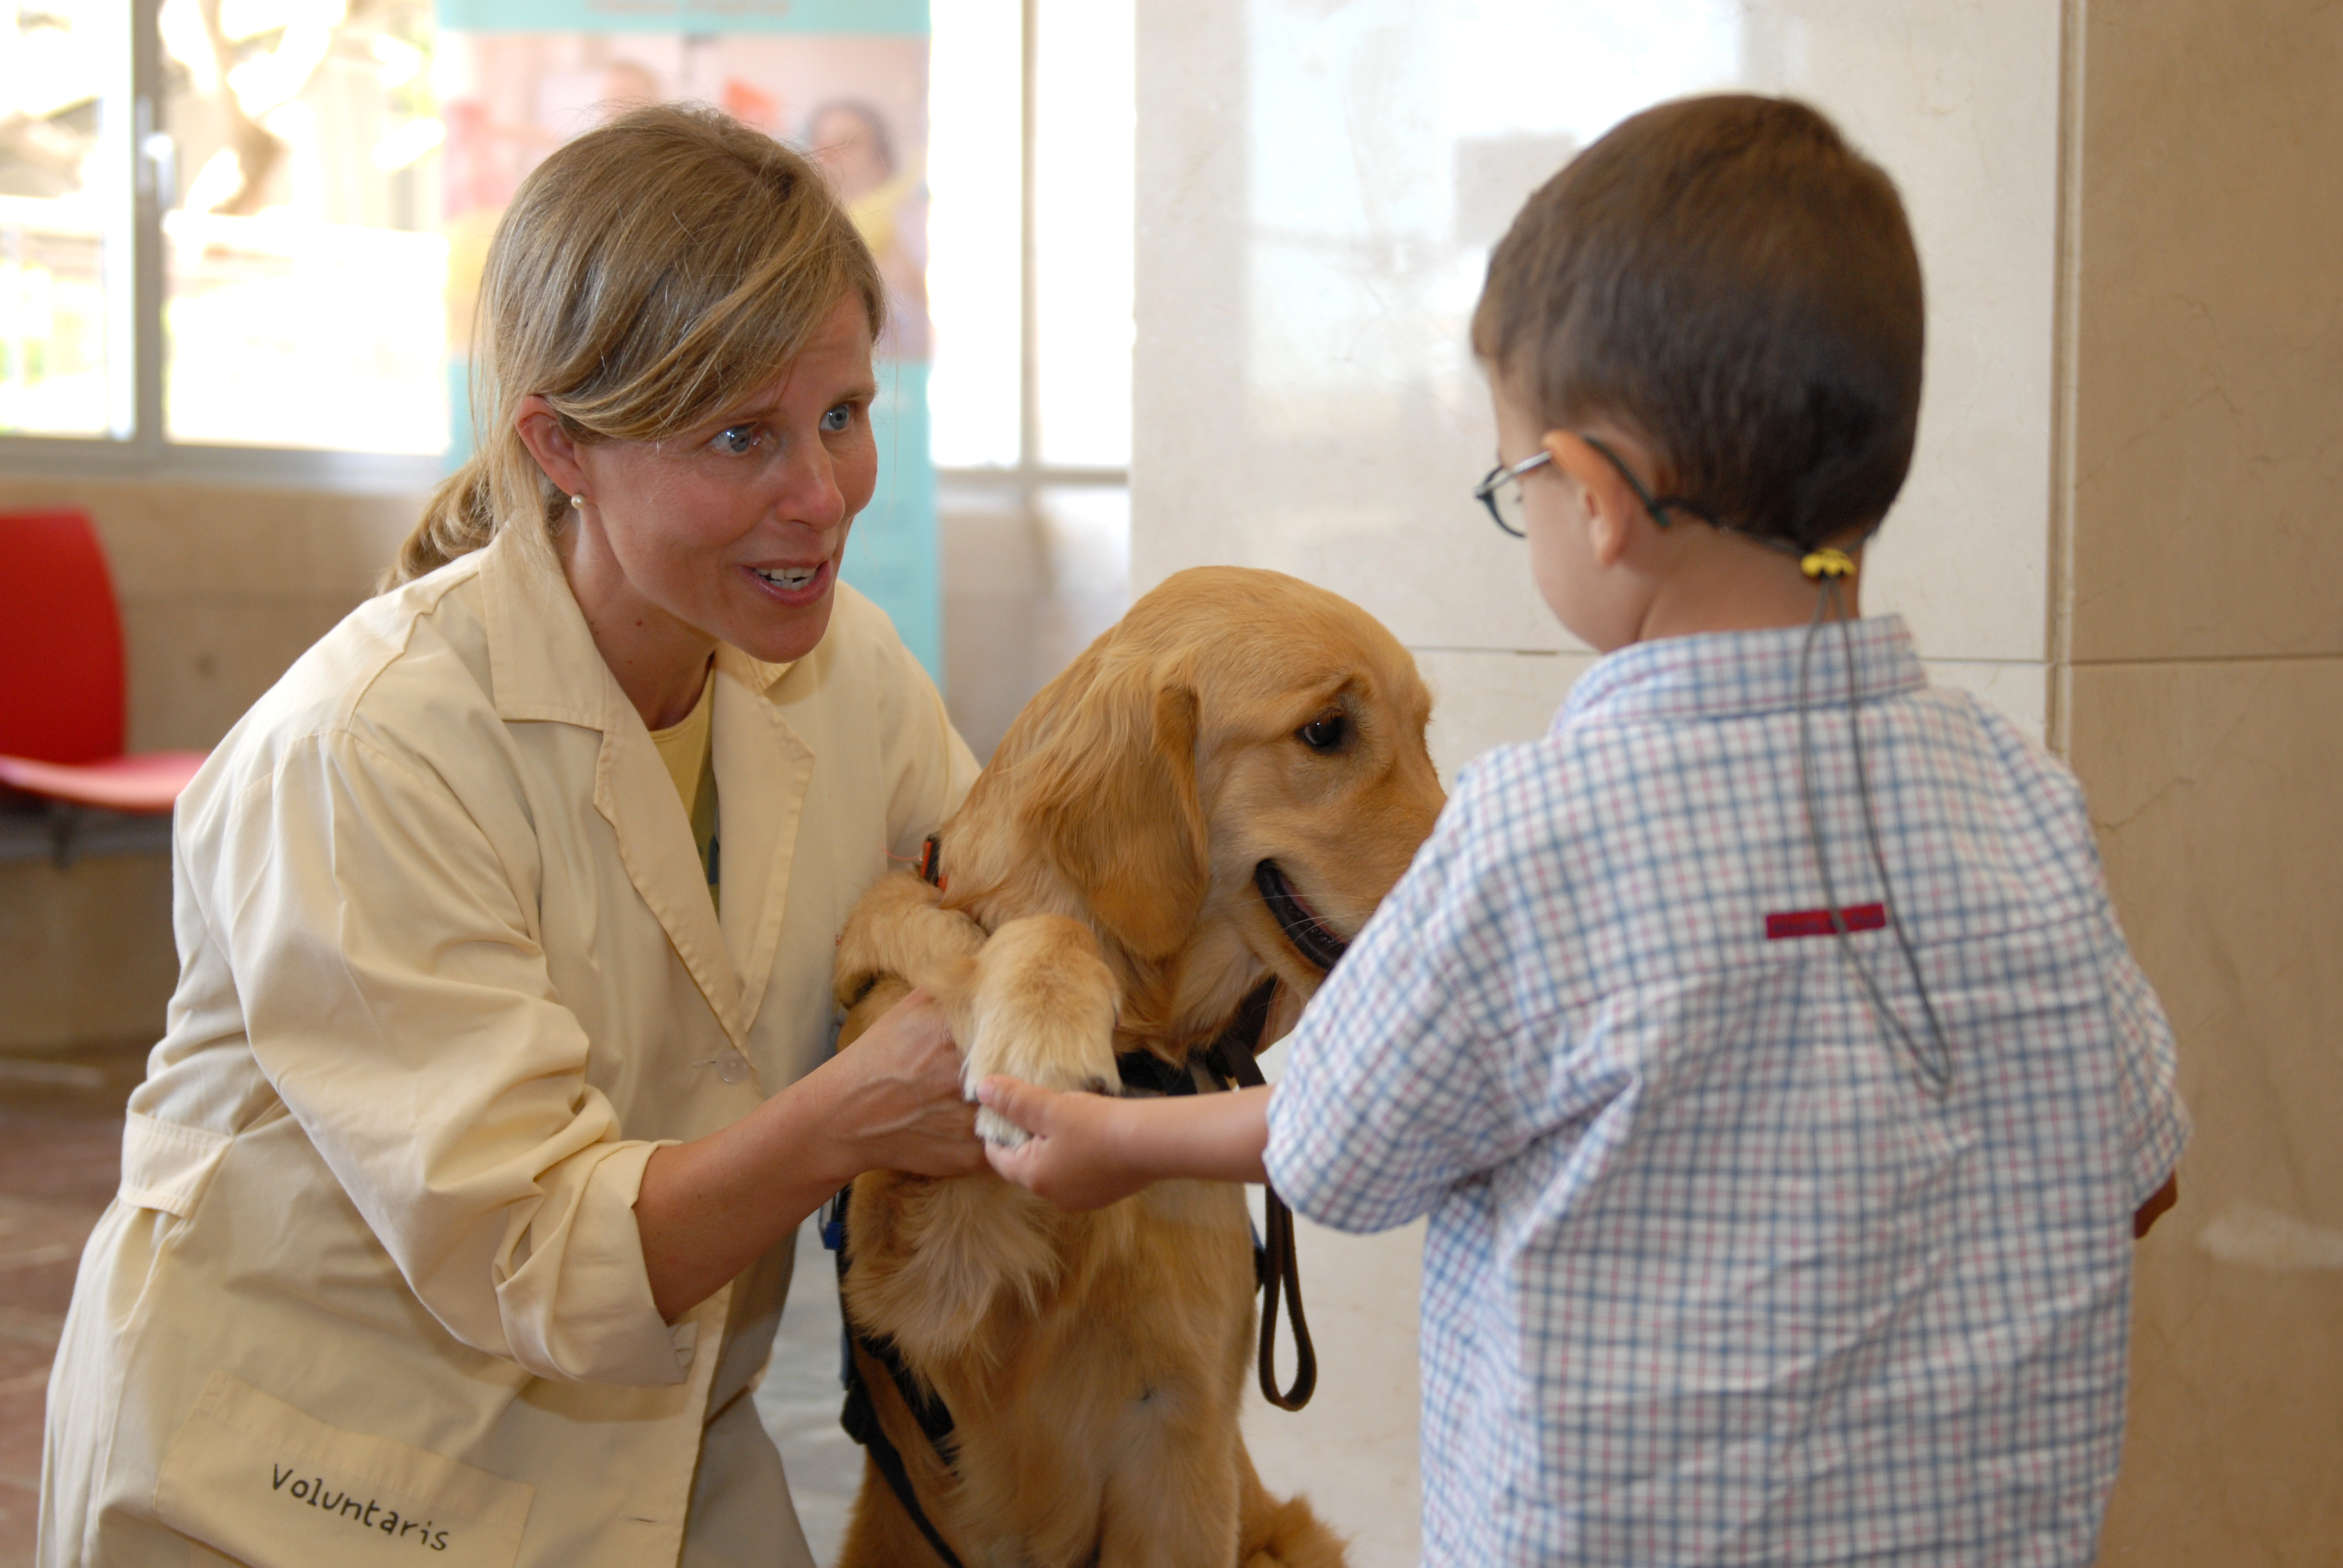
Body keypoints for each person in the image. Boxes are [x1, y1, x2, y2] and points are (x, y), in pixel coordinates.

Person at [978, 94, 2189, 1566]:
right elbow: (2139, 1170)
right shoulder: (2021, 800)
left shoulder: (1536, 832)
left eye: (1515, 486)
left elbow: (1337, 1139)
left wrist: (1108, 1138)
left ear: (1598, 503)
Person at [41, 105, 985, 1568]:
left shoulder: (846, 672)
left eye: (844, 416)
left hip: (660, 1438)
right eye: (742, 434)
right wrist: (856, 1110)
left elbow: (993, 898)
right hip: (307, 1477)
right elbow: (536, 1245)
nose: (821, 496)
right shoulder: (368, 747)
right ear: (563, 445)